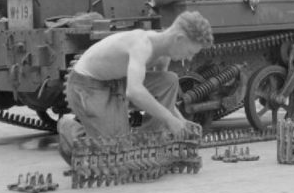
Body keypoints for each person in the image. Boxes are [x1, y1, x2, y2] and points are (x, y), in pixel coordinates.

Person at [57, 10, 213, 164]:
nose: (189, 57)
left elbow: (160, 99)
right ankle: (68, 128)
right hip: (86, 86)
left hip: (116, 82)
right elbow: (135, 92)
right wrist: (170, 120)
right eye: (190, 51)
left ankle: (149, 144)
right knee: (111, 155)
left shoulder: (163, 55)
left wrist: (180, 120)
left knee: (169, 80)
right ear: (179, 38)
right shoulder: (141, 44)